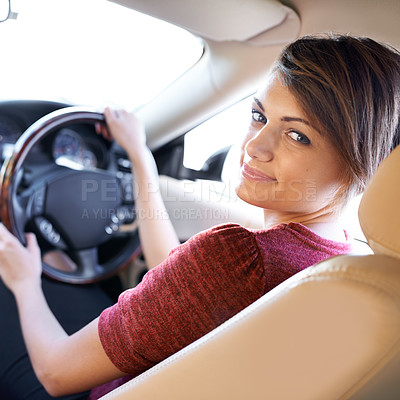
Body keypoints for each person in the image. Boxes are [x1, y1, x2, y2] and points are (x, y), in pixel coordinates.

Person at [0, 33, 399, 399]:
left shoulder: (238, 256)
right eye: (259, 116)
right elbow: (181, 281)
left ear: (363, 164)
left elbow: (54, 372)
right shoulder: (341, 260)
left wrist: (24, 283)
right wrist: (140, 157)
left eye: (298, 135)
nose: (254, 146)